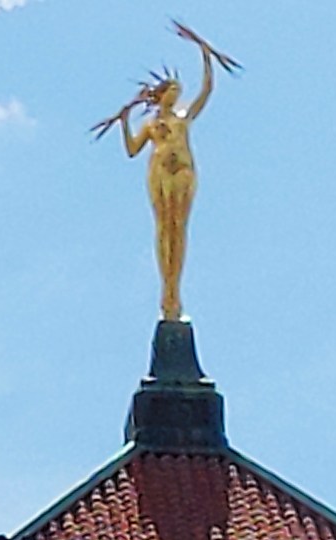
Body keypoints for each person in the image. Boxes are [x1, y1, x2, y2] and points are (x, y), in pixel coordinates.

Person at [92, 23, 239, 322]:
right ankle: (167, 289)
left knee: (178, 225)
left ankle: (175, 289)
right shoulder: (150, 125)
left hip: (183, 170)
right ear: (162, 95)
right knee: (163, 225)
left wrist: (205, 55)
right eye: (173, 90)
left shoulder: (183, 117)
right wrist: (124, 122)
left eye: (179, 91)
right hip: (159, 170)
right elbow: (132, 149)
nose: (177, 94)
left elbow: (207, 90)